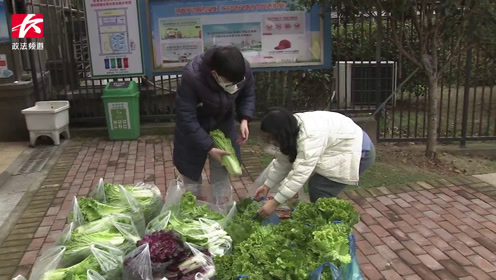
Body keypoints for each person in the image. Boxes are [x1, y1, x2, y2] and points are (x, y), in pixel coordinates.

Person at [254, 108, 375, 218]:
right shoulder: (291, 127)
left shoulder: (309, 136)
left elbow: (300, 173)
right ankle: (330, 220)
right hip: (342, 144)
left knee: (320, 188)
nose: (271, 139)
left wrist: (275, 203)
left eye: (272, 135)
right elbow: (283, 161)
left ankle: (332, 226)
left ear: (281, 132)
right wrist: (267, 185)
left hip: (358, 150)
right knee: (320, 190)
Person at [173, 46, 256, 197]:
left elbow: (248, 92)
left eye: (236, 83)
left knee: (222, 167)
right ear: (215, 73)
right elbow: (186, 116)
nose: (234, 87)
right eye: (229, 83)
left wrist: (245, 119)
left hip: (223, 124)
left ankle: (220, 204)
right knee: (191, 172)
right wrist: (209, 148)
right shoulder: (192, 76)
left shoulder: (242, 69)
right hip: (194, 127)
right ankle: (194, 203)